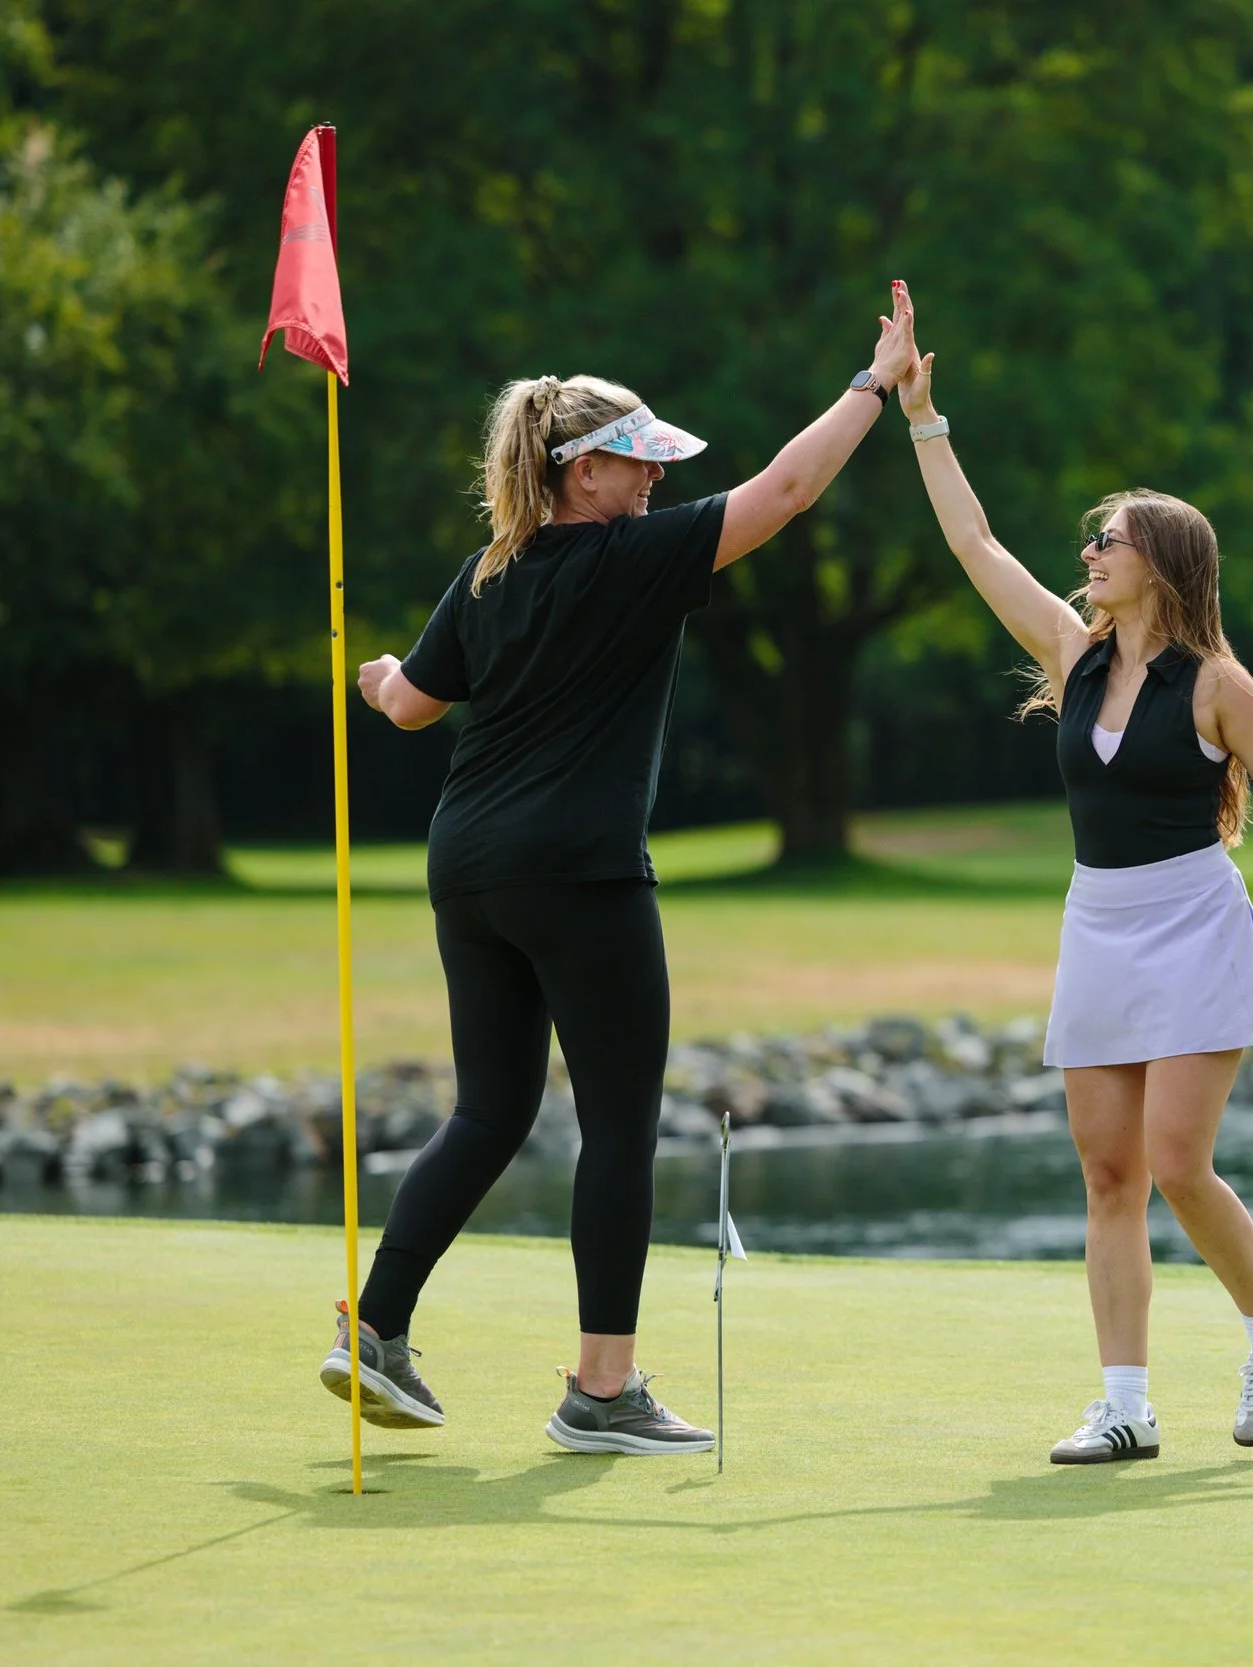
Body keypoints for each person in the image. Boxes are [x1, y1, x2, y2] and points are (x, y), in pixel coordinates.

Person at [317, 283, 920, 1456]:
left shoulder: (487, 572)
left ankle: (374, 1325)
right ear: (575, 471)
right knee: (619, 1124)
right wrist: (872, 387)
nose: (654, 480)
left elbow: (406, 707)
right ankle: (602, 1389)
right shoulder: (629, 559)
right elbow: (786, 491)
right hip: (580, 870)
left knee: (489, 1110)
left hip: (470, 868)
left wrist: (378, 669)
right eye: (634, 462)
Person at [892, 294, 1253, 1464]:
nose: (1088, 553)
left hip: (1197, 922)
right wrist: (921, 417)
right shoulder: (1071, 649)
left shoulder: (1219, 683)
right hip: (1098, 922)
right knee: (1107, 1171)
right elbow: (974, 546)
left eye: (1107, 538)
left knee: (1174, 1161)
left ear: (1160, 560)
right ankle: (1124, 1402)